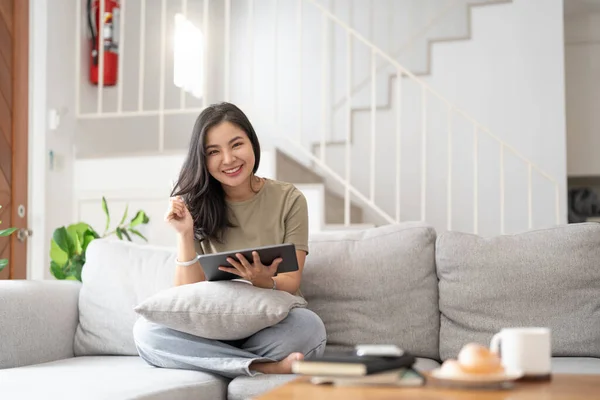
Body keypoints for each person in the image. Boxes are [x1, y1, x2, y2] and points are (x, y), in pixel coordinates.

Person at [132, 102, 327, 378]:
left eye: (236, 145)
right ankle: (260, 366)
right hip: (212, 330)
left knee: (310, 328)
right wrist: (186, 234)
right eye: (214, 152)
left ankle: (218, 363)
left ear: (252, 143)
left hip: (270, 326)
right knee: (146, 333)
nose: (228, 159)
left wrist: (264, 282)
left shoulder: (289, 199)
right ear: (203, 158)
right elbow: (186, 294)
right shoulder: (195, 207)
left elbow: (292, 282)